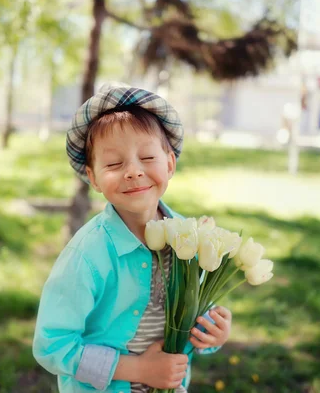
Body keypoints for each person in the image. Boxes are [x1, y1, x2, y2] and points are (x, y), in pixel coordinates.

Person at [33, 84, 233, 393]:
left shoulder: (188, 236)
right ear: (93, 177)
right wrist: (138, 369)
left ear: (169, 163)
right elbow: (53, 345)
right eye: (114, 163)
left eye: (148, 157)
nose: (133, 172)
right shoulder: (88, 254)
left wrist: (211, 334)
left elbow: (187, 312)